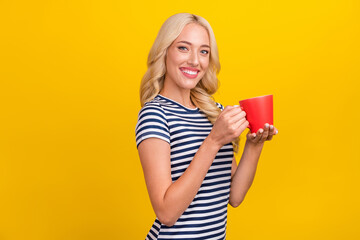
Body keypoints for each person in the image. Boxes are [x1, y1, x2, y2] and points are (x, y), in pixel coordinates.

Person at [135, 12, 278, 240]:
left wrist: (254, 145)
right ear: (165, 52)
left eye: (204, 51)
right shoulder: (154, 115)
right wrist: (213, 141)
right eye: (183, 48)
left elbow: (235, 196)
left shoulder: (213, 112)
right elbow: (166, 213)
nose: (195, 60)